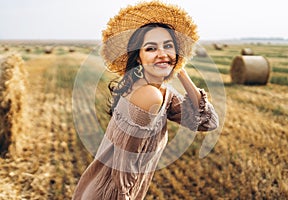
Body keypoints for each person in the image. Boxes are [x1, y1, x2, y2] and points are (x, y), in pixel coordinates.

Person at [72, 1, 218, 199]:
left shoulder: (161, 92)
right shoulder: (149, 95)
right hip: (111, 194)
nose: (162, 53)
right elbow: (125, 168)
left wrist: (179, 69)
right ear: (139, 57)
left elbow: (207, 122)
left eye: (168, 46)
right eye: (151, 49)